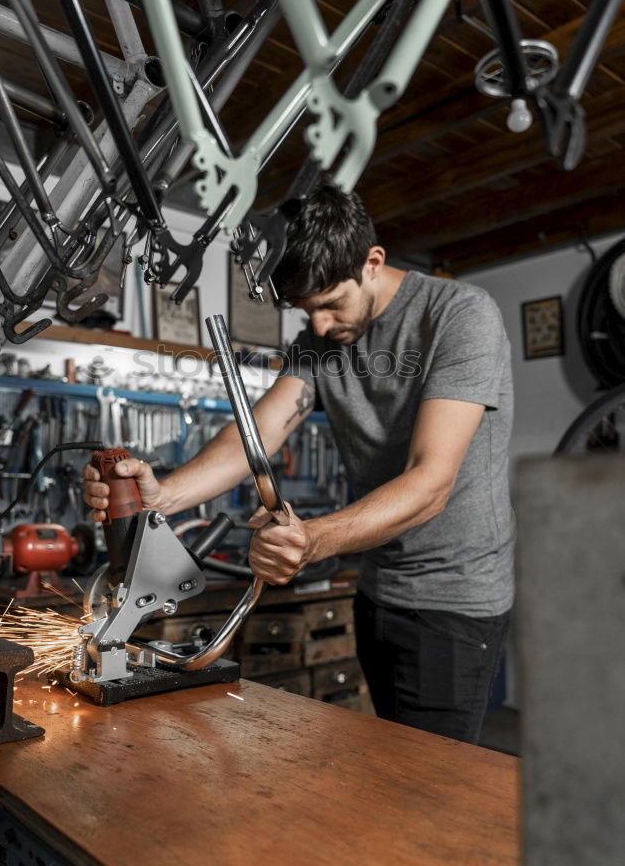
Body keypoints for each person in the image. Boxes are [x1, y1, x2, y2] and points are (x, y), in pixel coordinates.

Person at [82, 183, 514, 744]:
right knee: (390, 762)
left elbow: (431, 481)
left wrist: (311, 540)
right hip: (378, 587)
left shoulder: (460, 317)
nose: (318, 327)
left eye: (331, 303)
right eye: (306, 311)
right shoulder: (319, 342)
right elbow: (257, 435)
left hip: (454, 601)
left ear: (373, 262)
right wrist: (163, 494)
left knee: (434, 792)